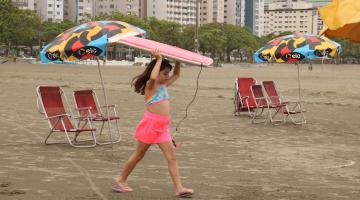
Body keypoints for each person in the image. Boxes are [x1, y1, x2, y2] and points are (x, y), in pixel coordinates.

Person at [112, 49, 194, 198]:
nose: (167, 76)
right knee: (138, 155)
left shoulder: (163, 85)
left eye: (166, 73)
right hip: (150, 126)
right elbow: (154, 77)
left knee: (172, 157)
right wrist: (158, 58)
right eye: (164, 73)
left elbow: (176, 75)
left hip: (162, 128)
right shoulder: (151, 85)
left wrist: (178, 60)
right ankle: (120, 180)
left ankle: (179, 188)